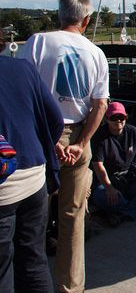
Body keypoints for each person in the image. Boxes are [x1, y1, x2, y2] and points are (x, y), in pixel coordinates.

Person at [20, 0, 109, 292]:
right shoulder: (96, 53)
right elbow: (100, 106)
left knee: (33, 216)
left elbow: (25, 95)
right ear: (86, 19)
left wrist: (50, 138)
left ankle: (30, 283)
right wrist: (82, 143)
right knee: (73, 217)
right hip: (80, 137)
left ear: (59, 15)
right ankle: (70, 287)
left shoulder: (38, 42)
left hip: (42, 135)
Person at [0, 31, 65, 293]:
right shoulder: (23, 68)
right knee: (33, 260)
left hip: (4, 186)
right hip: (35, 176)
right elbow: (55, 120)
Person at [91, 102, 136, 226]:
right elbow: (98, 165)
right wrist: (109, 188)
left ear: (126, 118)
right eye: (114, 117)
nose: (118, 121)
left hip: (128, 179)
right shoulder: (99, 136)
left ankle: (121, 214)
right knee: (101, 196)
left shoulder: (133, 131)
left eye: (121, 117)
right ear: (107, 119)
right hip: (108, 181)